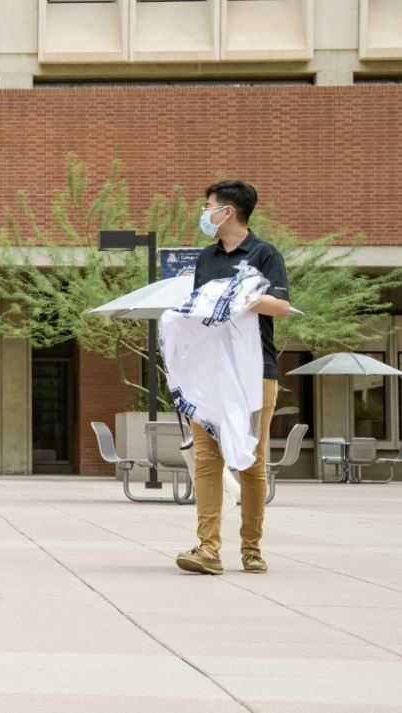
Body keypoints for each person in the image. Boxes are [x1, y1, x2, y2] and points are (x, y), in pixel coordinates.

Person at [177, 181, 290, 576]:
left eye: (208, 206)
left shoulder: (264, 254)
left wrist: (238, 297)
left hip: (256, 373)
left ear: (228, 211)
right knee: (207, 461)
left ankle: (252, 549)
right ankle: (208, 549)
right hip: (210, 374)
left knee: (251, 461)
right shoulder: (205, 258)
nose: (203, 214)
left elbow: (281, 306)